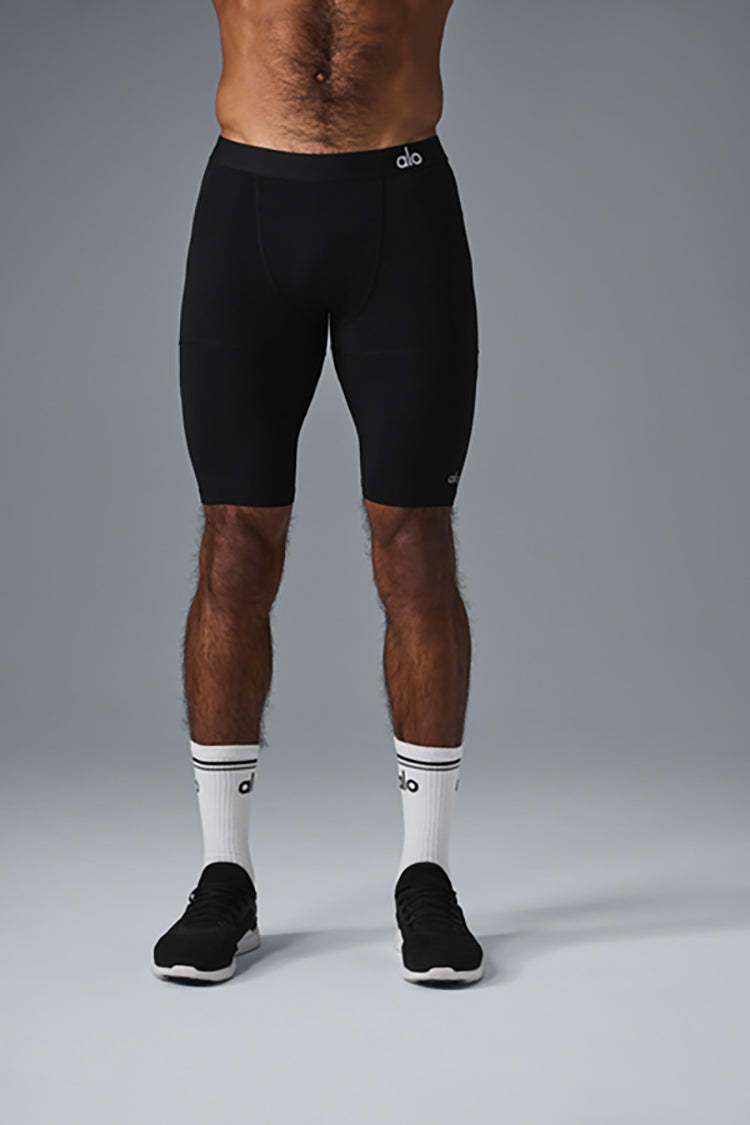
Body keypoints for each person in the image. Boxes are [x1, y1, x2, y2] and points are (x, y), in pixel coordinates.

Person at [152, 0, 483, 985]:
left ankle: (427, 875)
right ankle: (225, 876)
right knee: (233, 542)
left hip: (402, 208)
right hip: (248, 204)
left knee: (416, 541)